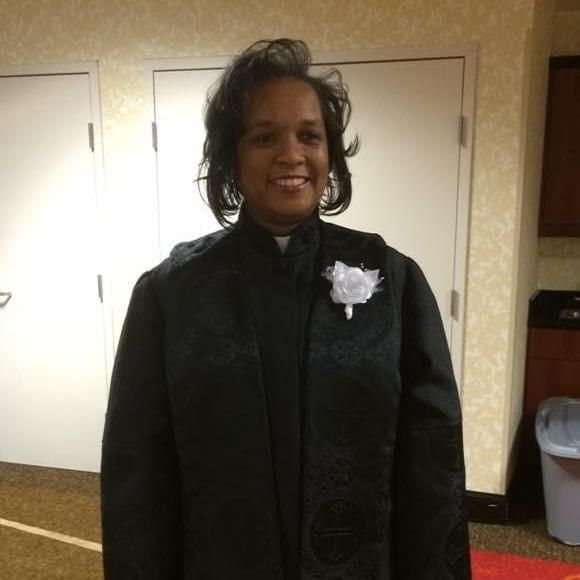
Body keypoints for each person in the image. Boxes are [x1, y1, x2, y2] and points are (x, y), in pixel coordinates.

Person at [101, 38, 471, 580]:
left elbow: (432, 462)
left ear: (330, 154)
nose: (291, 155)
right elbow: (136, 472)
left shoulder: (394, 283)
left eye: (309, 136)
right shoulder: (170, 293)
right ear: (232, 157)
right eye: (264, 137)